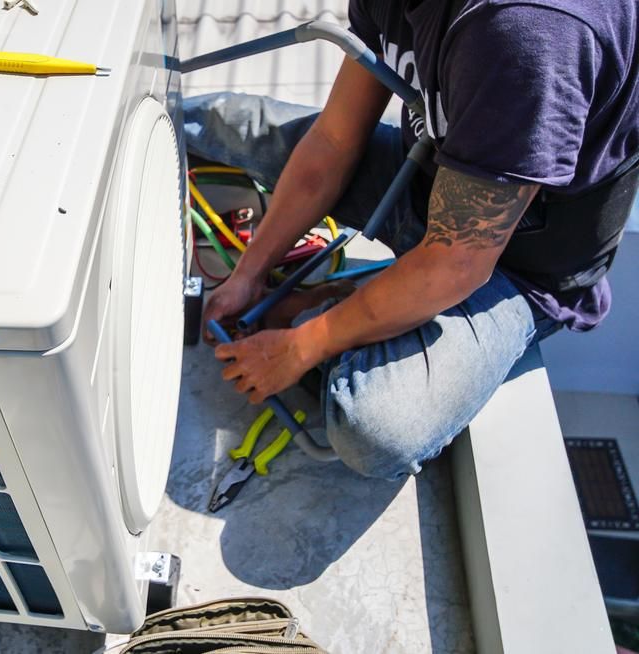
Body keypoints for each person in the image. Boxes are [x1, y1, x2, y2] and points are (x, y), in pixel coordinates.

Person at [189, 0, 639, 479]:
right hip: (430, 177)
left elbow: (455, 264)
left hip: (514, 267)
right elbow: (334, 142)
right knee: (227, 125)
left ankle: (341, 303)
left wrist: (301, 345)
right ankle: (361, 304)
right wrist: (249, 274)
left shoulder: (528, 32)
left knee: (376, 429)